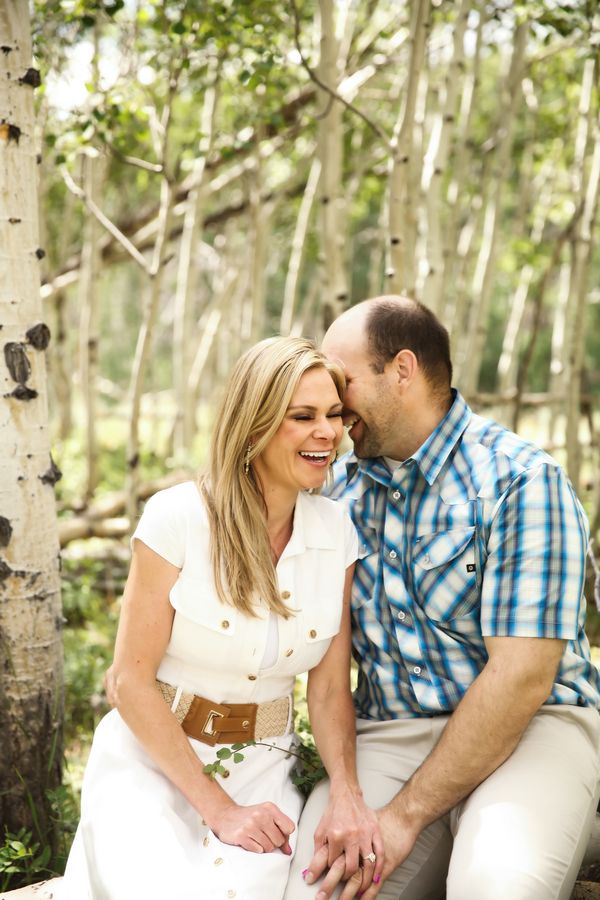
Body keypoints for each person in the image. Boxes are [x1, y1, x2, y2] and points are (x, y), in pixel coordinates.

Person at [284, 296, 600, 900]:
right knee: (317, 890)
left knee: (497, 887)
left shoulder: (521, 481)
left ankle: (543, 814)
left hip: (534, 726)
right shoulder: (335, 497)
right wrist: (352, 796)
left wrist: (404, 818)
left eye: (344, 381)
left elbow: (522, 679)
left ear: (402, 370)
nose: (334, 403)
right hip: (390, 732)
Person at [58, 336, 383, 900]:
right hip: (153, 759)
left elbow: (330, 689)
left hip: (265, 767)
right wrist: (221, 810)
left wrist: (347, 793)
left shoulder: (337, 533)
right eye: (302, 416)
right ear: (254, 425)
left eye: (334, 414)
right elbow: (128, 681)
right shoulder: (177, 518)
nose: (328, 432)